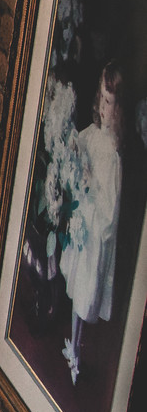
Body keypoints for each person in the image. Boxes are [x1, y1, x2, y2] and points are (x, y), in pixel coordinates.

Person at [61, 62, 125, 384]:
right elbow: (83, 141)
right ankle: (74, 345)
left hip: (95, 236)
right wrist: (73, 145)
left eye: (109, 102)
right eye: (101, 98)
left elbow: (110, 216)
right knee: (76, 289)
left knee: (85, 294)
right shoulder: (96, 134)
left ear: (119, 109)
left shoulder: (113, 157)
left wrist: (90, 184)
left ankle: (78, 355)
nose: (102, 106)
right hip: (82, 225)